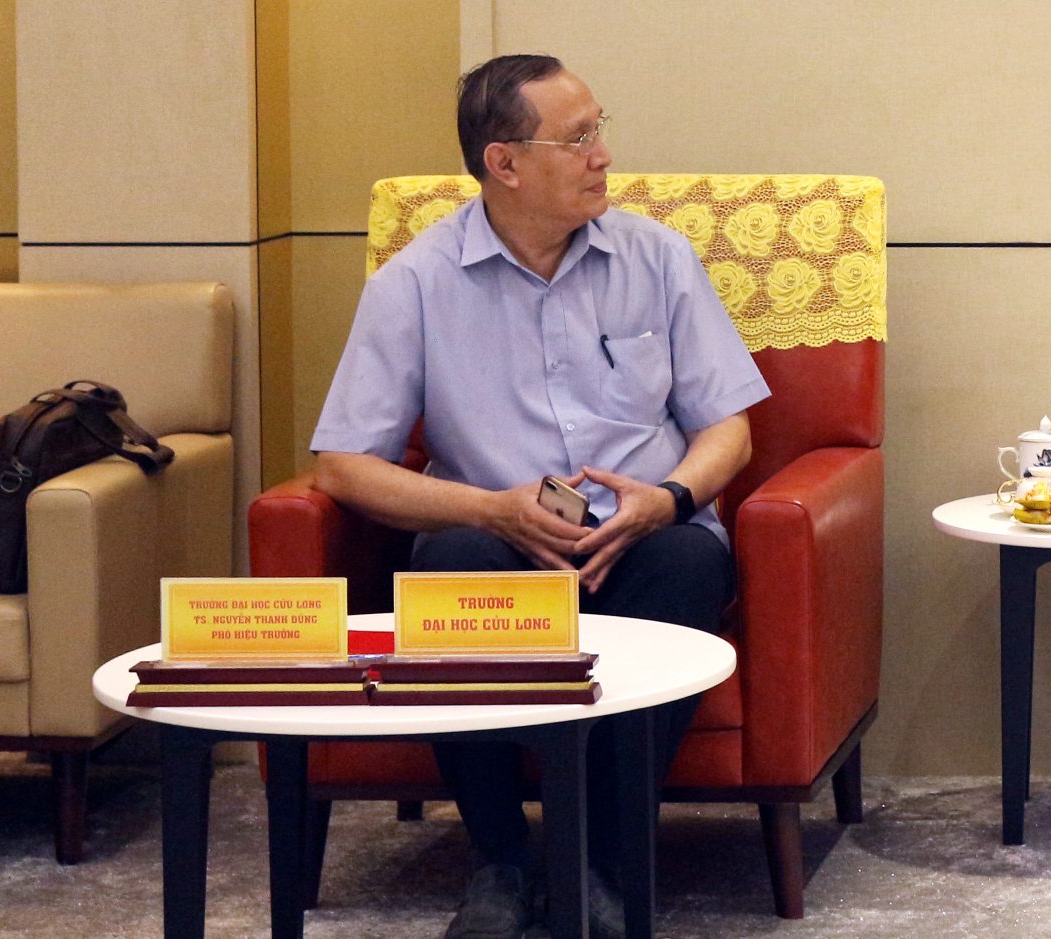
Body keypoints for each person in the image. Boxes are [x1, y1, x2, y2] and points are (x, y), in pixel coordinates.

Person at [309, 55, 768, 939]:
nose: (604, 154)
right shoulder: (417, 282)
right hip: (498, 539)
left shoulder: (658, 258)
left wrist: (670, 496)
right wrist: (487, 509)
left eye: (600, 128)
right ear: (504, 162)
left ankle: (598, 861)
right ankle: (501, 859)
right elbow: (342, 464)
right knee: (449, 565)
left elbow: (730, 429)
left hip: (644, 532)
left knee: (686, 561)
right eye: (578, 137)